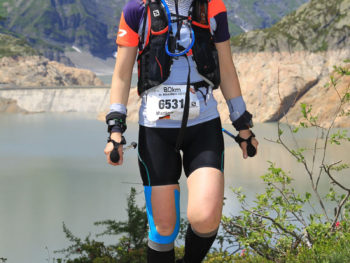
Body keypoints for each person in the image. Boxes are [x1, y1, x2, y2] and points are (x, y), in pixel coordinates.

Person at [104, 0, 259, 262]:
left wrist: (242, 124)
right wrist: (115, 129)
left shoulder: (213, 6)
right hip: (156, 131)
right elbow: (121, 74)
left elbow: (227, 67)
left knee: (206, 217)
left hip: (204, 125)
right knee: (164, 228)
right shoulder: (136, 9)